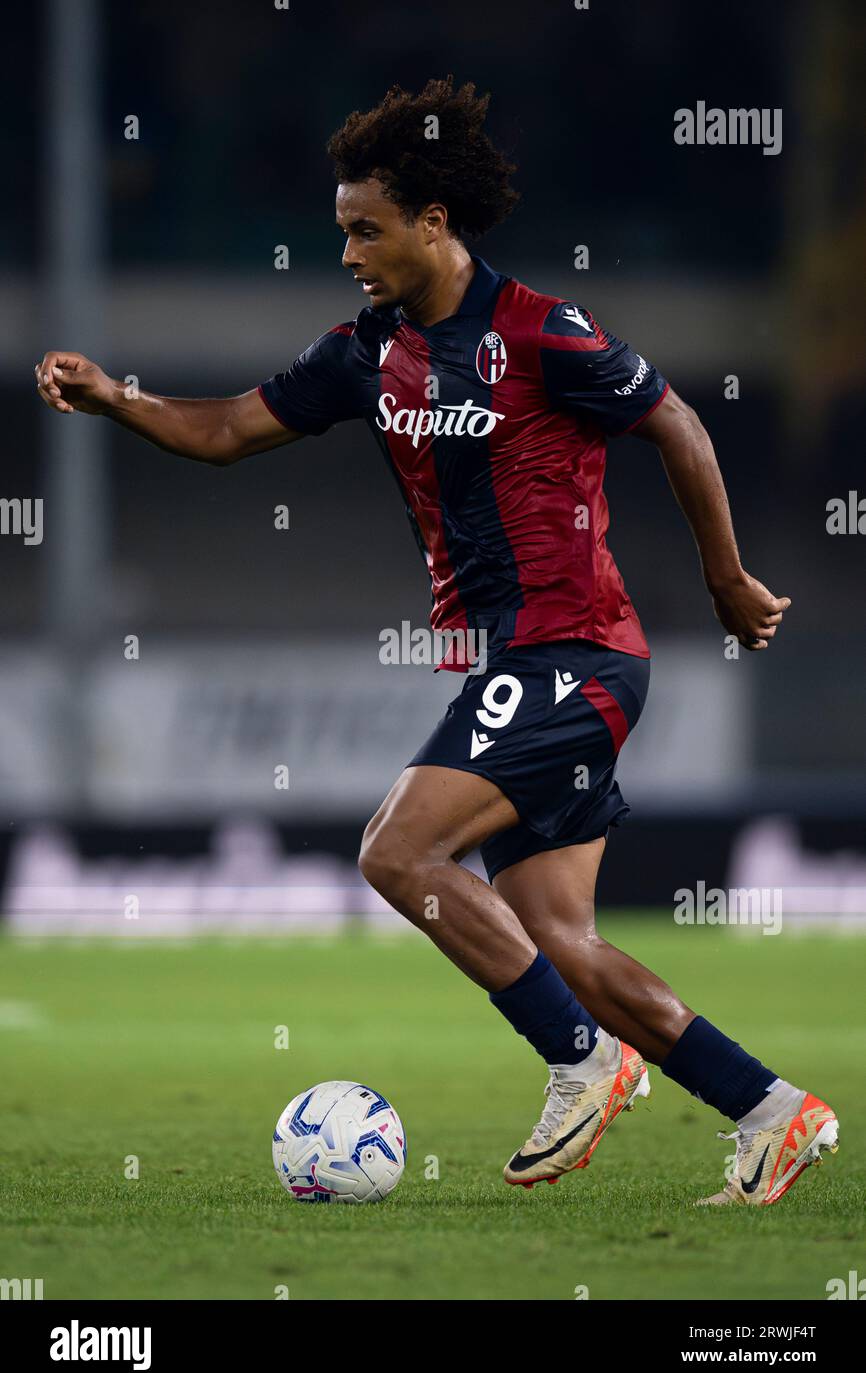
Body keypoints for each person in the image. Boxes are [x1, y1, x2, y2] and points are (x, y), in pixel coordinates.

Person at [35, 77, 838, 1205]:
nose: (351, 250)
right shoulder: (365, 353)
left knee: (395, 852)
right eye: (340, 231)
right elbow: (222, 430)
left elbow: (676, 421)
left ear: (433, 223)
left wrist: (722, 577)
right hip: (518, 661)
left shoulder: (539, 330)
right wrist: (114, 395)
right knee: (561, 946)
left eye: (366, 228)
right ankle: (770, 1111)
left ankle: (581, 1065)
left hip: (572, 649)